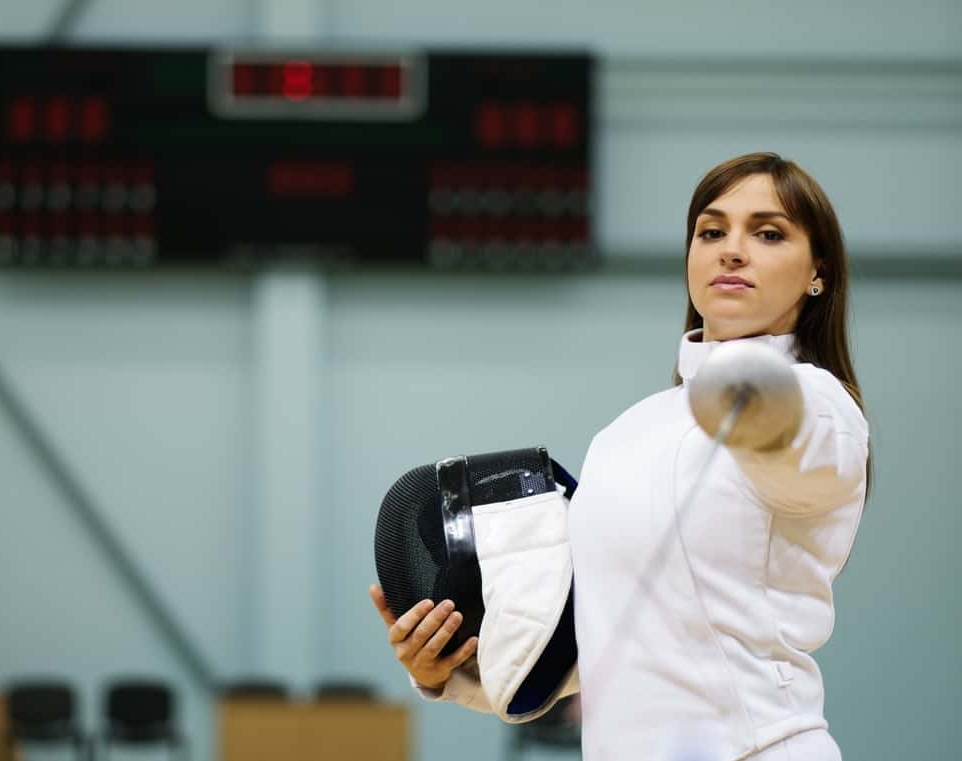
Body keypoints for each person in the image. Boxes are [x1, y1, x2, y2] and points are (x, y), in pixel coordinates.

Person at [370, 152, 869, 760]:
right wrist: (446, 668)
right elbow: (593, 645)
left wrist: (745, 389)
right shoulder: (625, 435)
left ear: (817, 271)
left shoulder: (819, 406)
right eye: (711, 232)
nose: (732, 250)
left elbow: (799, 445)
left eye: (768, 233)